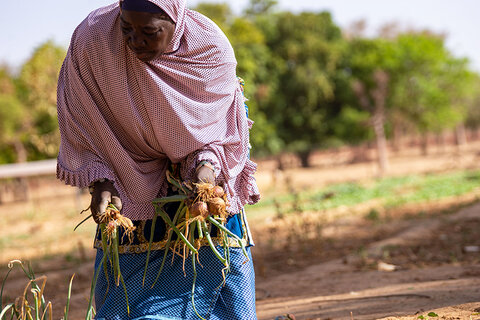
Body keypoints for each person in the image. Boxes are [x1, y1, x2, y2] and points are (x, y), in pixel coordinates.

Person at [56, 0, 260, 319]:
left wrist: (205, 177)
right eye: (127, 29)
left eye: (149, 32)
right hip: (128, 180)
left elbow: (219, 126)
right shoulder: (95, 39)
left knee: (217, 288)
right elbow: (82, 115)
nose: (135, 41)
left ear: (174, 21)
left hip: (201, 184)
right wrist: (101, 179)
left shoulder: (209, 47)